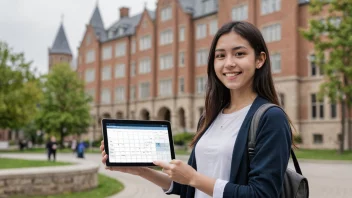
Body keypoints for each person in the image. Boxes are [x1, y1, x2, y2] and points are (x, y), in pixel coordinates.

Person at [100, 21, 292, 198]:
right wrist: (139, 170)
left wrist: (193, 178)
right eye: (220, 56)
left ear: (260, 60)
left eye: (239, 54)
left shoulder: (271, 118)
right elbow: (187, 186)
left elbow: (262, 194)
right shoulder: (209, 117)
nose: (229, 63)